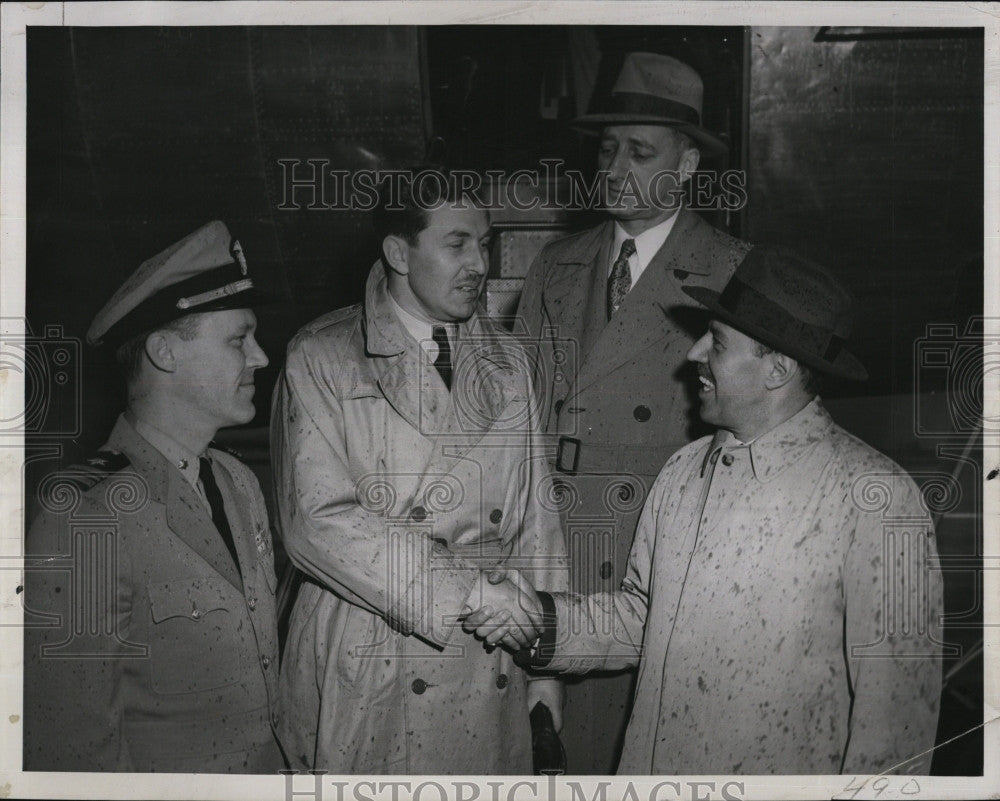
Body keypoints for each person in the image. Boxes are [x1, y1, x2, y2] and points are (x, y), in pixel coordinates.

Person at [472, 246, 944, 774]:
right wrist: (542, 622)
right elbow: (642, 618)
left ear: (778, 369)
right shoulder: (683, 470)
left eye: (717, 342)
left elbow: (897, 728)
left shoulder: (874, 498)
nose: (694, 353)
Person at [271, 173, 567, 774]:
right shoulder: (324, 355)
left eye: (485, 243)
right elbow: (317, 523)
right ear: (399, 252)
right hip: (372, 651)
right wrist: (466, 592)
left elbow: (539, 520)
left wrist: (546, 664)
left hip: (491, 660)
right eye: (457, 244)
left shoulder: (509, 362)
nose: (479, 264)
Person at [514, 51, 751, 771]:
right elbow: (514, 420)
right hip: (551, 541)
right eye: (608, 147)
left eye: (640, 151)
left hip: (654, 549)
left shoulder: (733, 270)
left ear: (686, 167)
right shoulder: (557, 262)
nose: (615, 166)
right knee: (545, 746)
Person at [23, 221, 284, 773]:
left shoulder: (239, 482)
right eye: (239, 339)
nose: (260, 357)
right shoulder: (84, 521)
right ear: (165, 352)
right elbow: (72, 753)